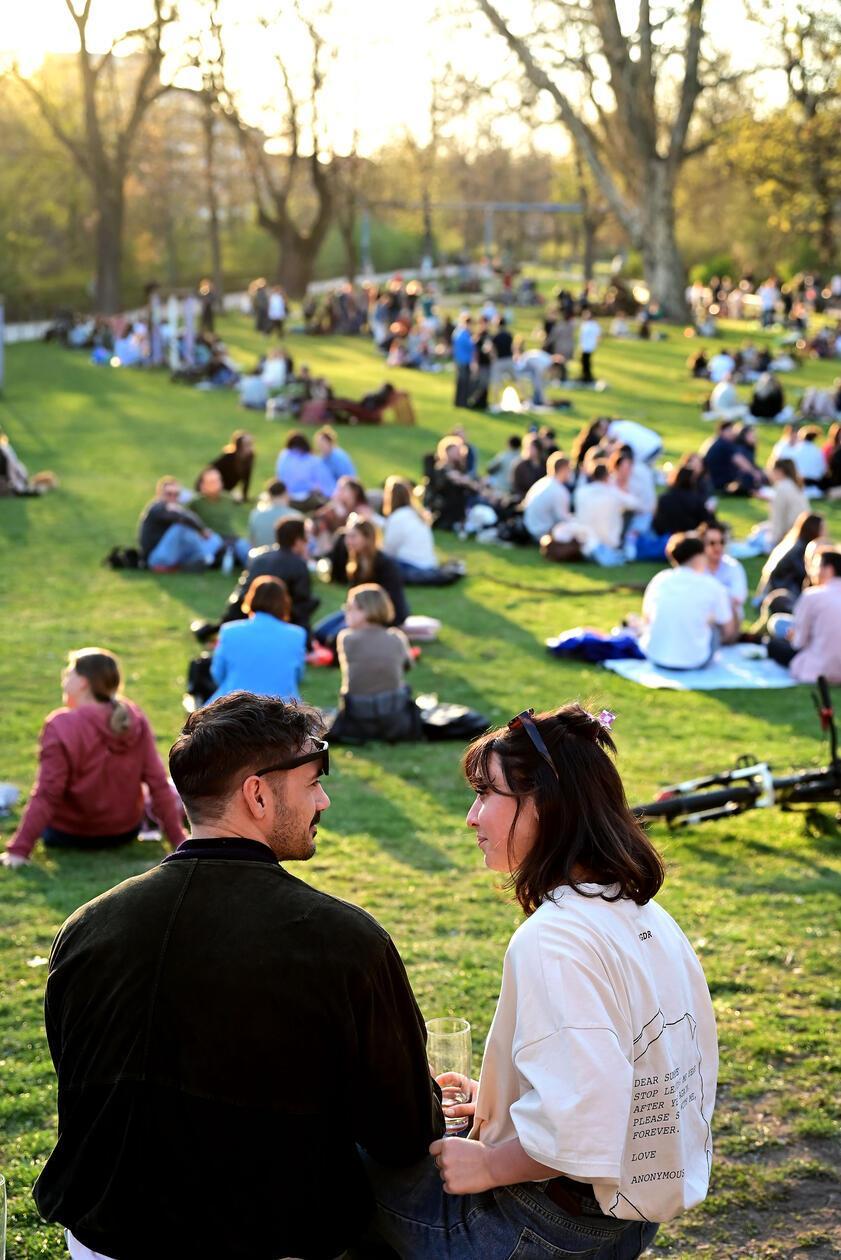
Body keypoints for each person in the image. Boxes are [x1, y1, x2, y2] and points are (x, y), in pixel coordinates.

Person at [33, 693, 443, 1258]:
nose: (323, 800)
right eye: (313, 782)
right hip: (270, 1237)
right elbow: (405, 1136)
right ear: (257, 794)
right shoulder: (343, 940)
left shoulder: (85, 927)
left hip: (100, 1235)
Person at [363, 704, 717, 1259]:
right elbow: (626, 1068)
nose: (471, 817)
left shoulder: (553, 939)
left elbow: (586, 1125)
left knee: (351, 1163)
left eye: (487, 795)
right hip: (631, 1214)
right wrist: (504, 1104)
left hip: (544, 1227)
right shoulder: (643, 915)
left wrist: (490, 1163)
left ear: (546, 807)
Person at [1, 649, 185, 867]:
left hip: (68, 835)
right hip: (124, 831)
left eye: (69, 673)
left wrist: (19, 850)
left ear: (83, 682)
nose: (64, 678)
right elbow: (157, 782)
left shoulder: (61, 725)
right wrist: (179, 841)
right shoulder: (133, 716)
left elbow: (47, 792)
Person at [330, 584, 420, 744]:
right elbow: (408, 665)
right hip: (394, 715)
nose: (346, 612)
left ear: (366, 610)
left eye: (351, 607)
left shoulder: (346, 638)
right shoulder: (397, 637)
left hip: (358, 714)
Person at [640, 533, 735, 669]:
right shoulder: (712, 585)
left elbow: (646, 619)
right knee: (714, 627)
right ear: (698, 556)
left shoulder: (660, 579)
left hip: (655, 656)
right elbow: (728, 629)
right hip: (695, 660)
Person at [207, 576, 307, 705]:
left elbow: (217, 673)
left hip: (235, 707)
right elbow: (298, 676)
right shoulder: (297, 635)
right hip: (282, 709)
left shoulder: (229, 631)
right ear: (285, 602)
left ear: (250, 598)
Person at [225, 516, 320, 632]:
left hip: (245, 616)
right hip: (279, 622)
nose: (308, 542)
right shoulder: (298, 565)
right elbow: (300, 606)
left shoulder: (259, 557)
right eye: (306, 538)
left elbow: (241, 593)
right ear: (297, 540)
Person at [766, 551, 841, 681]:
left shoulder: (813, 595)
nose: (812, 572)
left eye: (816, 567)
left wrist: (794, 637)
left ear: (828, 570)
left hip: (822, 668)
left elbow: (799, 643)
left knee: (774, 643)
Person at [138, 475, 221, 571]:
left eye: (176, 494)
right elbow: (183, 518)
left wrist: (203, 531)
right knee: (181, 527)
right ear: (159, 494)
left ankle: (198, 560)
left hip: (172, 554)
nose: (173, 497)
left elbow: (188, 516)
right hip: (156, 558)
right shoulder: (157, 508)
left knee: (214, 538)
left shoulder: (176, 509)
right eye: (169, 494)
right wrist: (201, 530)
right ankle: (204, 558)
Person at [573, 462, 640, 565]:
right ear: (607, 476)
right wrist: (622, 487)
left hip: (585, 541)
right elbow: (635, 504)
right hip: (609, 542)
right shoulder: (613, 492)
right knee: (630, 516)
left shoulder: (581, 491)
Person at [382, 476, 441, 578]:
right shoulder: (417, 515)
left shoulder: (397, 517)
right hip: (430, 565)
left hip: (412, 566)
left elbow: (389, 550)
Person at [191, 467, 251, 567]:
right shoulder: (196, 502)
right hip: (210, 536)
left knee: (244, 547)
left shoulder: (228, 498)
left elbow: (244, 510)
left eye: (217, 480)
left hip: (230, 536)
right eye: (211, 482)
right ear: (203, 485)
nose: (215, 484)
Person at [699, 522, 747, 639]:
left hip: (727, 622)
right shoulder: (698, 568)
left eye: (722, 542)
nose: (718, 547)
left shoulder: (733, 567)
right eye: (712, 543)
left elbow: (738, 597)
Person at [522, 452, 572, 542]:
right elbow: (563, 518)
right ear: (564, 469)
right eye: (569, 469)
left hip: (529, 527)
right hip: (541, 533)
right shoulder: (559, 491)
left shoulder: (542, 482)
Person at [275, 431, 331, 509]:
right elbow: (325, 483)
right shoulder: (313, 460)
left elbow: (279, 477)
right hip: (308, 500)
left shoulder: (283, 456)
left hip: (287, 499)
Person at [247, 479, 302, 549]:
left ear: (268, 495)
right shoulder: (296, 517)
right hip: (287, 558)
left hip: (260, 558)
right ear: (286, 493)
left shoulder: (255, 515)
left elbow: (251, 543)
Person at [766, 459, 810, 547]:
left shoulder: (781, 488)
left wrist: (774, 541)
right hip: (803, 530)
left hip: (791, 534)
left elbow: (777, 518)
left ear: (779, 471)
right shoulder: (794, 485)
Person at [209, 430, 255, 501]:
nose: (251, 448)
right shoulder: (229, 457)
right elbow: (211, 470)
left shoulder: (250, 457)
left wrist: (244, 497)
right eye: (247, 445)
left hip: (228, 490)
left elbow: (247, 479)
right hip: (217, 488)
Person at [315, 425, 357, 495]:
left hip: (346, 490)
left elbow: (346, 479)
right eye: (319, 445)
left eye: (322, 445)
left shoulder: (339, 458)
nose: (320, 448)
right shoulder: (324, 458)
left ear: (330, 443)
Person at [452, 313, 475, 408]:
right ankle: (463, 402)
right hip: (464, 360)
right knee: (464, 382)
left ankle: (458, 402)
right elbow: (470, 347)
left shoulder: (457, 332)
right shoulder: (464, 334)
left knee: (460, 382)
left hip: (459, 360)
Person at [578, 308, 601, 383]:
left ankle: (587, 376)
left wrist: (596, 344)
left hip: (589, 346)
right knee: (584, 362)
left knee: (586, 362)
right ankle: (584, 375)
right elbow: (582, 336)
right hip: (584, 346)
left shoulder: (594, 325)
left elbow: (598, 336)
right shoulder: (584, 324)